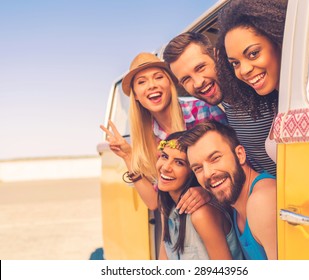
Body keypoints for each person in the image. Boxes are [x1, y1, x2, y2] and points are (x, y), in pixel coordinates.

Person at [100, 52, 227, 211]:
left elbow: (240, 164)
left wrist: (208, 191)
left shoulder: (204, 111)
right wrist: (128, 156)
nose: (152, 85)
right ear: (136, 96)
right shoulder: (150, 138)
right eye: (142, 82)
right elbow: (154, 202)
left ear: (170, 83)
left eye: (158, 77)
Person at [163, 31, 277, 177]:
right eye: (186, 79)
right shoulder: (222, 109)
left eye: (200, 68)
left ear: (216, 57)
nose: (198, 83)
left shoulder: (261, 89)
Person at [178, 120, 277, 260]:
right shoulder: (237, 205)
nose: (207, 173)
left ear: (240, 155)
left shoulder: (262, 200)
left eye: (215, 158)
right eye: (198, 168)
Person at [216, 0, 288, 163]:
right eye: (235, 63)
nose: (244, 70)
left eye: (253, 53)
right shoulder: (280, 102)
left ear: (279, 40)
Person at [157, 131, 243, 260]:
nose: (165, 167)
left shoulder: (201, 215)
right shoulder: (167, 207)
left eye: (179, 162)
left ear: (193, 172)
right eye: (164, 156)